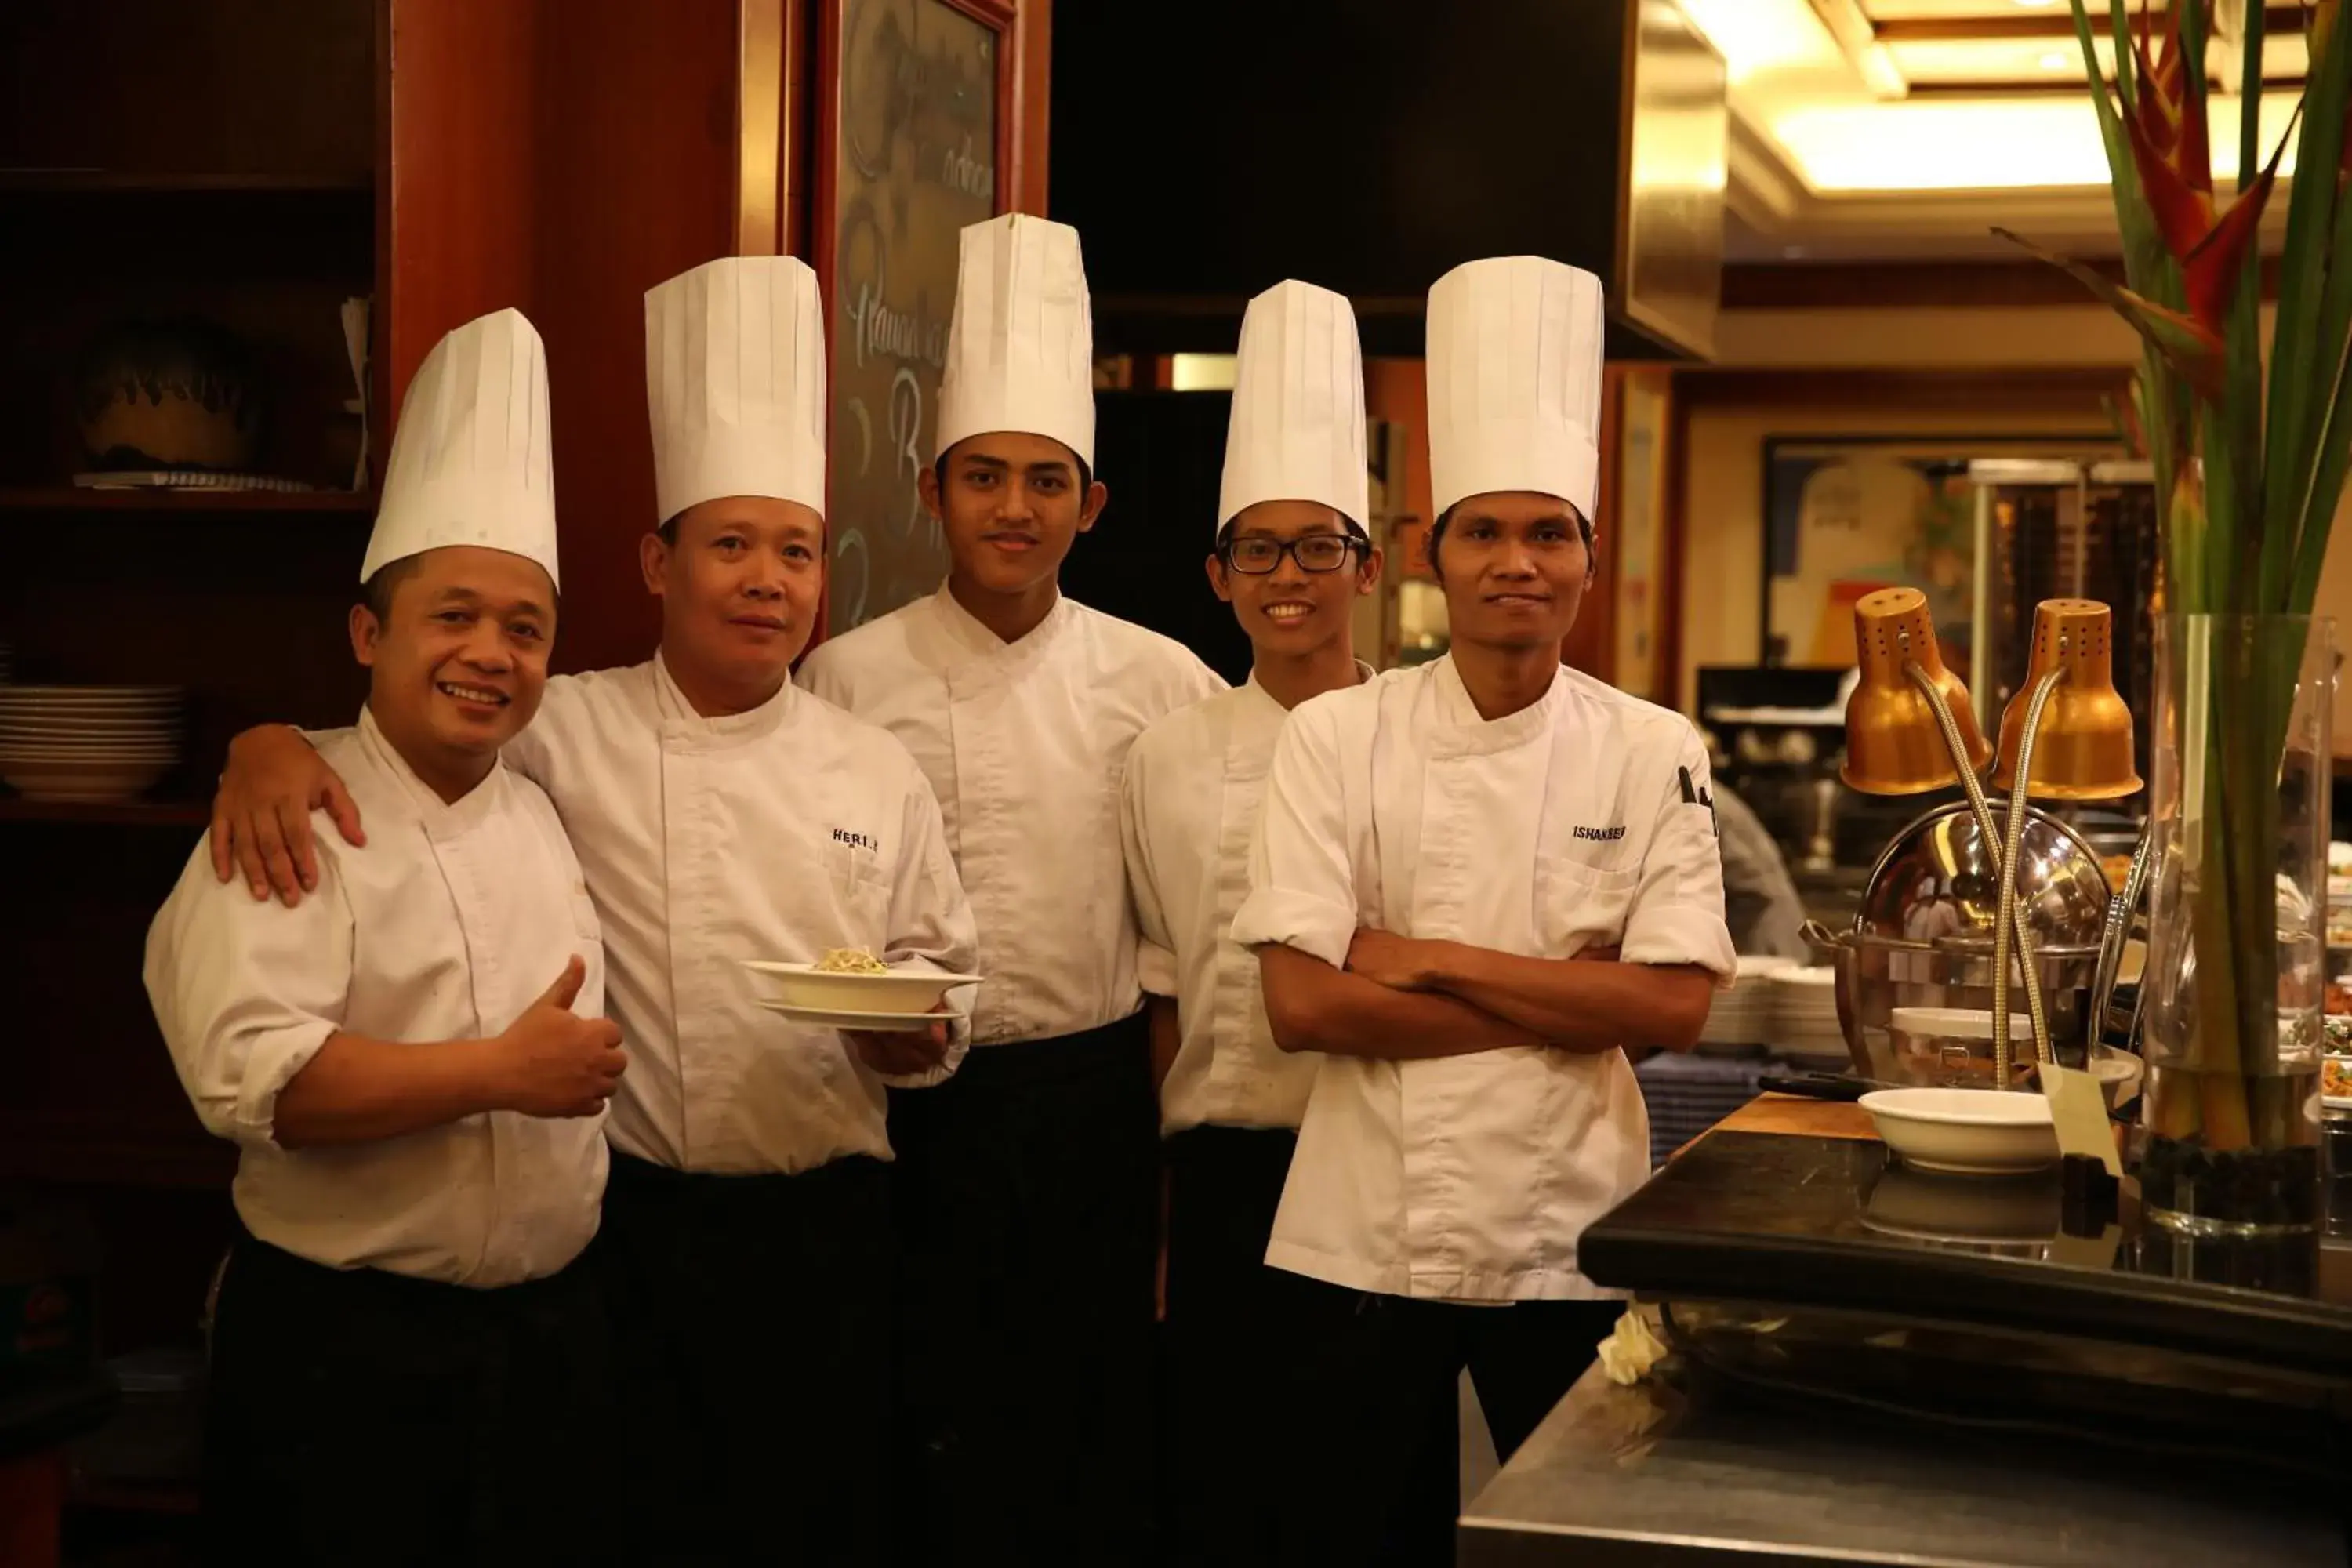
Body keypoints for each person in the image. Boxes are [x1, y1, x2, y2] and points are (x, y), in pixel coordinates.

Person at [202, 256, 978, 1566]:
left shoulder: (873, 765)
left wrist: (917, 1034)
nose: (767, 581)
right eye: (729, 545)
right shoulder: (564, 722)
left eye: (794, 551)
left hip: (827, 1234)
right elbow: (402, 739)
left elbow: (941, 980)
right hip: (634, 1230)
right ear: (656, 562)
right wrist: (266, 741)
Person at [1231, 256, 1736, 1566]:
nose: (1517, 562)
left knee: (1582, 1553)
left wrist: (1425, 959)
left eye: (1548, 532)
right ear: (1429, 555)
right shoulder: (1338, 737)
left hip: (1570, 1236)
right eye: (1485, 532)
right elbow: (1301, 1006)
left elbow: (1675, 1005)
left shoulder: (1652, 745)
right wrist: (1567, 999)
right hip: (1359, 1243)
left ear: (1586, 556)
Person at [147, 310, 627, 1566]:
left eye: (525, 628)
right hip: (344, 1361)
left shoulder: (543, 804)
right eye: (452, 617)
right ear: (370, 635)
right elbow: (261, 1080)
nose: (490, 654)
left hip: (548, 1348)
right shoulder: (293, 814)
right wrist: (501, 1076)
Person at [797, 213, 1225, 1563]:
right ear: (932, 492)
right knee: (917, 1411)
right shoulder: (843, 678)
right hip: (904, 1098)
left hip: (1097, 1099)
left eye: (1048, 480)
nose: (1015, 508)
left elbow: (1191, 922)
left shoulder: (1163, 682)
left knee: (1088, 1423)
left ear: (1091, 506)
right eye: (985, 476)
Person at [1117, 278, 1382, 1566]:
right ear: (1218, 576)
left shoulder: (1419, 744)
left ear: (1366, 567)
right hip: (1220, 1174)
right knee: (1217, 1497)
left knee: (1364, 1490)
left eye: (1318, 547)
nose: (1289, 580)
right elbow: (1165, 992)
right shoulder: (1163, 756)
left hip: (1375, 1165)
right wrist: (1166, 1217)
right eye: (1258, 552)